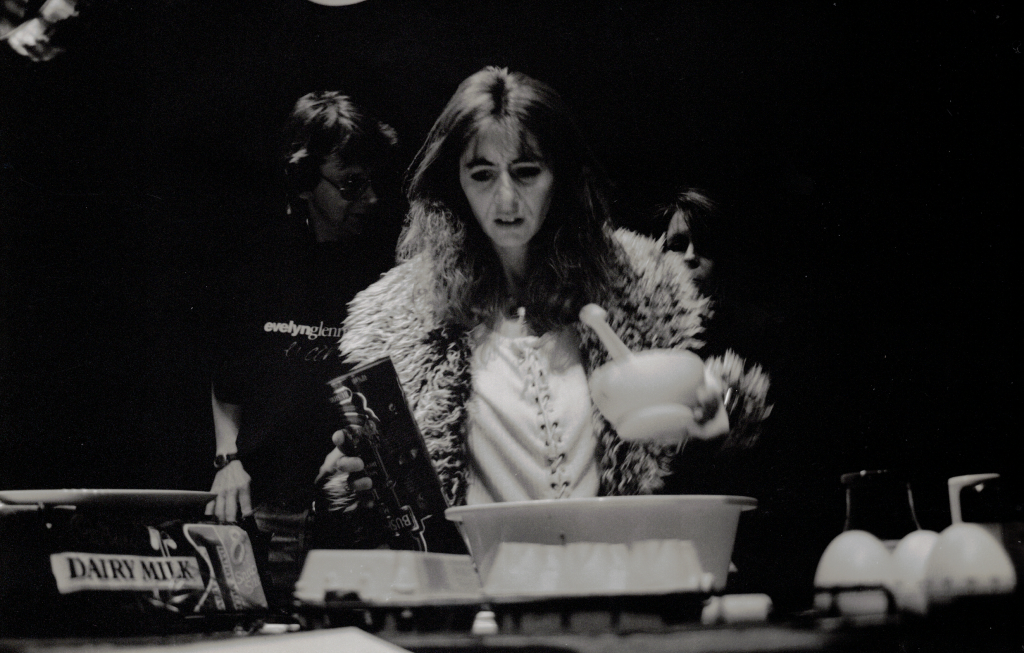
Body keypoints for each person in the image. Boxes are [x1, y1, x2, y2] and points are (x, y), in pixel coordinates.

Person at [318, 67, 771, 524]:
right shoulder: (402, 320)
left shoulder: (642, 288)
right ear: (454, 181)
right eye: (482, 174)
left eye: (527, 171)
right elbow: (392, 505)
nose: (506, 198)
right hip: (480, 587)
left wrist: (719, 409)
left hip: (612, 580)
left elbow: (724, 427)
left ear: (561, 175)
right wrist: (356, 484)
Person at [207, 91, 399, 601]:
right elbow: (227, 382)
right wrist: (228, 462)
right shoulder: (256, 265)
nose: (371, 199)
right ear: (302, 180)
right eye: (351, 185)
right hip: (270, 514)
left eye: (370, 182)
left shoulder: (382, 273)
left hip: (356, 516)